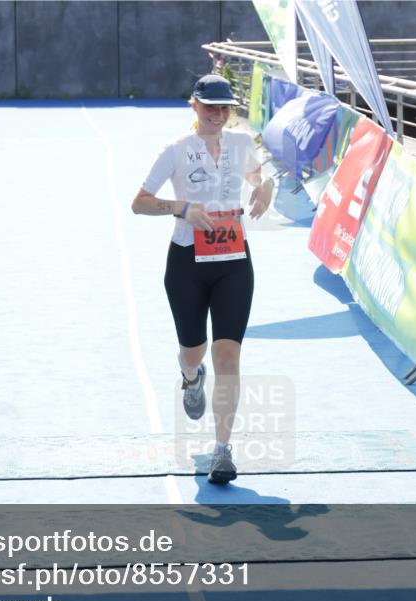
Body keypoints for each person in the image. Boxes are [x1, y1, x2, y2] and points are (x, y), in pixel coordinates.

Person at [131, 75, 273, 485]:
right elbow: (138, 203)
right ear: (193, 105)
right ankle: (191, 378)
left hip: (233, 262)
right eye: (210, 106)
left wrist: (266, 188)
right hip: (187, 262)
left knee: (228, 355)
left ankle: (222, 450)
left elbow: (259, 178)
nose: (218, 114)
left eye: (225, 107)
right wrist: (182, 208)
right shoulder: (175, 151)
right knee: (193, 352)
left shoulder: (242, 144)